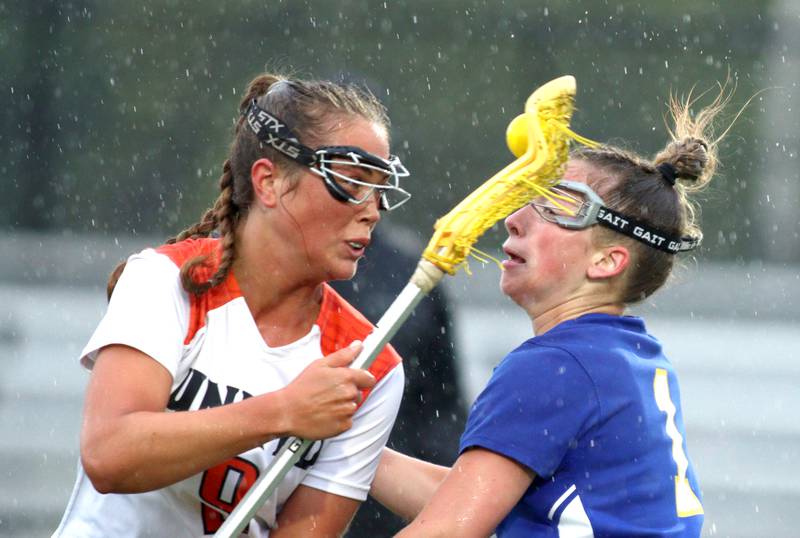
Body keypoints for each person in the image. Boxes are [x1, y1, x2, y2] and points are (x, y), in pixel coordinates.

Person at [53, 72, 413, 537]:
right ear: (269, 182)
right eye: (350, 180)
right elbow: (109, 454)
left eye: (380, 188)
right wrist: (282, 411)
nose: (373, 208)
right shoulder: (166, 281)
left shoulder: (370, 365)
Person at [370, 90, 727, 537]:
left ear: (607, 261)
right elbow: (476, 498)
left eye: (554, 206)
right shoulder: (628, 355)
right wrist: (346, 446)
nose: (515, 217)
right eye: (527, 198)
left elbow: (448, 529)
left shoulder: (554, 367)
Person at [331, 224, 467, 536]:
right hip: (267, 486)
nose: (368, 204)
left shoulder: (411, 271)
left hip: (384, 496)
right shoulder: (254, 260)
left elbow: (442, 402)